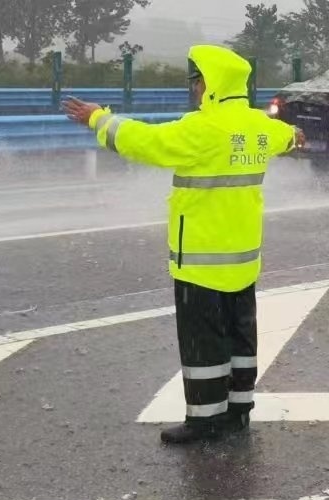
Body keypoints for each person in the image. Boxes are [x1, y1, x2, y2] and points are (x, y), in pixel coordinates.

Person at [62, 45, 301, 444]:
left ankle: (205, 420)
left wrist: (97, 118)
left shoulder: (202, 129)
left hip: (202, 262)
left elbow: (145, 141)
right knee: (241, 336)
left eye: (196, 80)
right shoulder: (259, 126)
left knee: (203, 341)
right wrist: (295, 137)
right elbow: (287, 137)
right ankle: (238, 412)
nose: (193, 89)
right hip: (243, 259)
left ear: (211, 83)